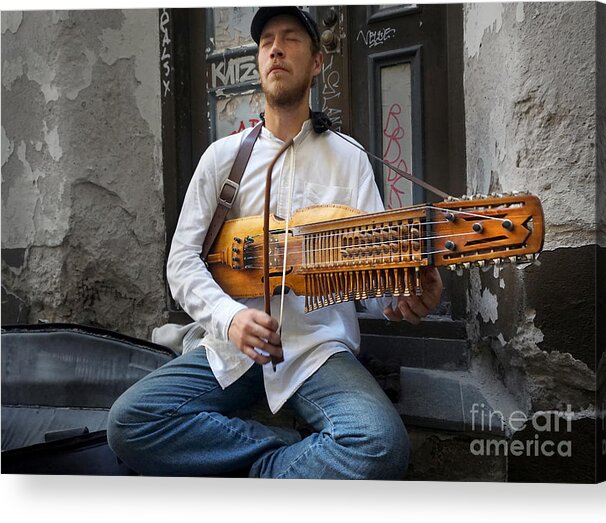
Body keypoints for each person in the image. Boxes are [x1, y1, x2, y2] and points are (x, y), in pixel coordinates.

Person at [107, 6, 443, 479]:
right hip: (231, 351)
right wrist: (230, 318)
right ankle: (285, 459)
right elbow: (181, 262)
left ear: (317, 61)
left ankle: (261, 479)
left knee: (381, 445)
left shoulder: (349, 161)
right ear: (259, 60)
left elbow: (376, 280)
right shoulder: (222, 159)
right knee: (129, 422)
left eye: (290, 39)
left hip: (316, 351)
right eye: (266, 41)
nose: (276, 49)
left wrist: (406, 296)